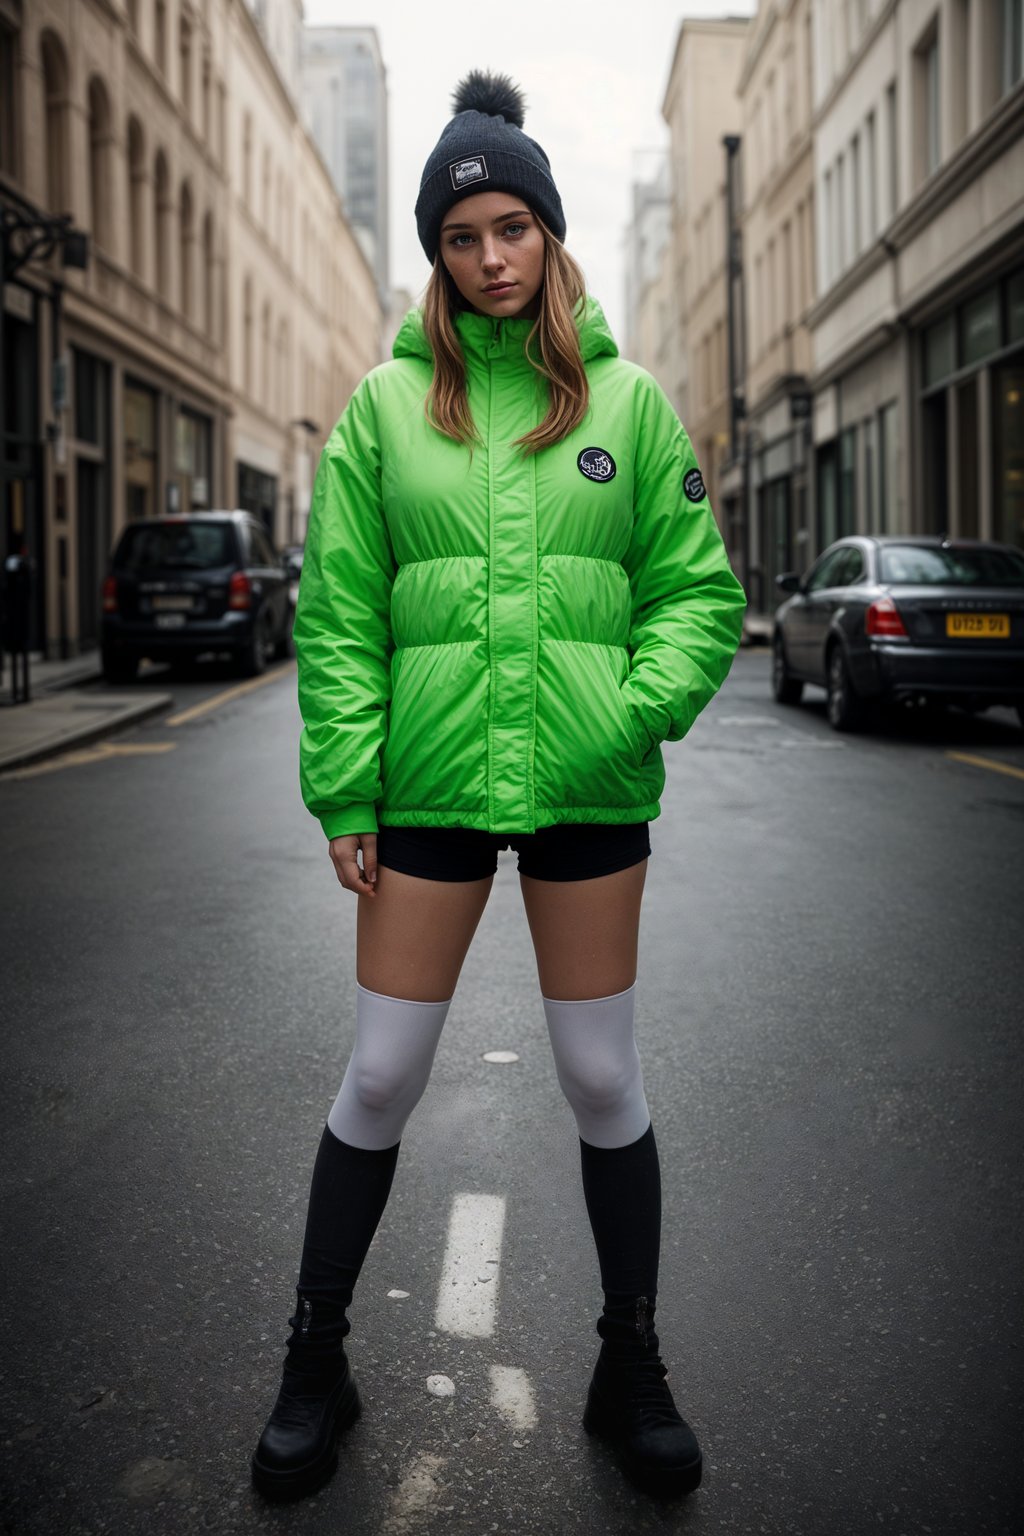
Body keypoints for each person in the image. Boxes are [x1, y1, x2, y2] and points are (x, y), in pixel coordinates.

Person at [251, 70, 746, 1504]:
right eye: (462, 234)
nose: (489, 258)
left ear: (549, 236)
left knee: (602, 1077)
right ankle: (313, 1359)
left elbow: (698, 596)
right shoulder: (383, 412)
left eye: (511, 226)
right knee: (383, 1074)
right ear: (439, 252)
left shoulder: (633, 405)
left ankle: (630, 1363)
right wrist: (347, 788)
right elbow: (341, 614)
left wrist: (627, 709)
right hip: (429, 788)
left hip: (590, 789)